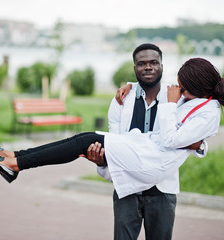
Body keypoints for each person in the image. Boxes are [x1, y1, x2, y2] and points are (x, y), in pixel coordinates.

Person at [0, 56, 224, 209]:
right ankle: (13, 158)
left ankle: (15, 163)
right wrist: (131, 86)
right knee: (83, 140)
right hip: (145, 149)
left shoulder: (208, 112)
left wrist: (171, 104)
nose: (178, 89)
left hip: (152, 160)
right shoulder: (195, 100)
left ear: (196, 87)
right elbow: (181, 132)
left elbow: (171, 139)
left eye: (182, 87)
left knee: (86, 140)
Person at [84, 43, 204, 240]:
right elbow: (114, 142)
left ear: (162, 67)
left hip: (162, 190)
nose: (148, 67)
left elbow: (198, 124)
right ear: (135, 69)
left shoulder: (178, 98)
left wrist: (200, 144)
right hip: (127, 189)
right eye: (141, 63)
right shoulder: (121, 100)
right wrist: (101, 161)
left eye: (154, 62)